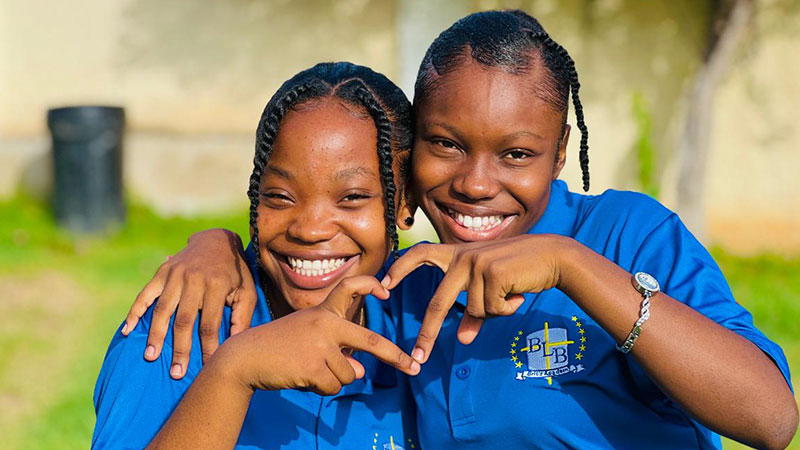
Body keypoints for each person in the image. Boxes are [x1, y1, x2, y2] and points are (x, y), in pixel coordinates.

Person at [121, 10, 798, 450]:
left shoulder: (626, 234)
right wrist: (215, 246)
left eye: (516, 154)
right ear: (409, 169)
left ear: (560, 154)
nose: (475, 182)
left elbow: (769, 420)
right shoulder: (405, 287)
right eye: (446, 144)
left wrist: (571, 266)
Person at [92, 62, 423, 450]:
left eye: (351, 198)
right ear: (255, 196)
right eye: (280, 197)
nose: (309, 228)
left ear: (405, 203)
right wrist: (233, 370)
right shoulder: (174, 327)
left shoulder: (426, 315)